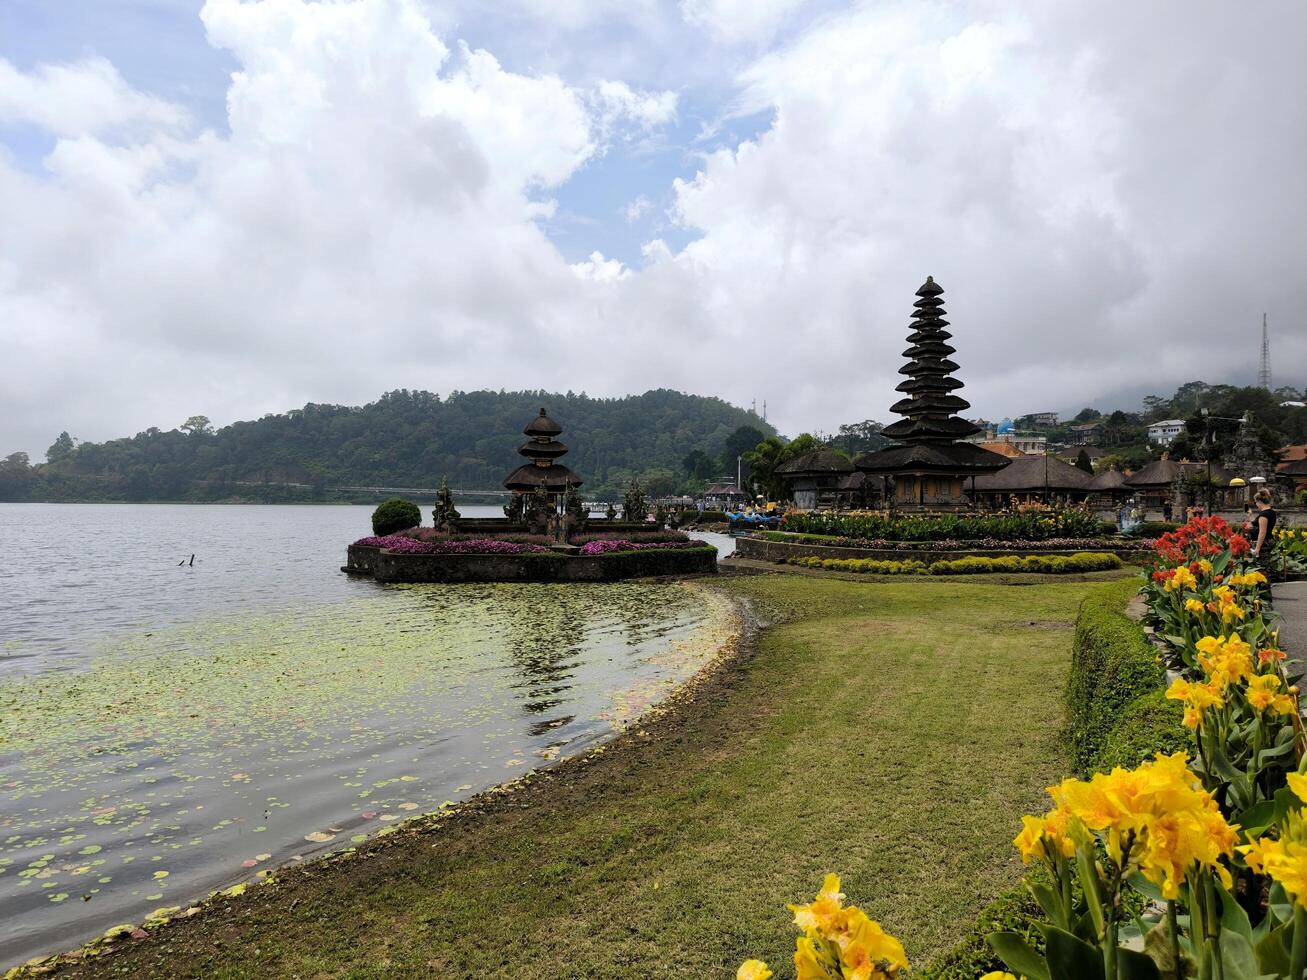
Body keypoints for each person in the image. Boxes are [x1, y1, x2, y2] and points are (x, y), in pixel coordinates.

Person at [1249, 488, 1278, 596]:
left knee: (1262, 567)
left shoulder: (1264, 515)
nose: (1256, 504)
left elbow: (1262, 532)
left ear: (1260, 501)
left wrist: (1257, 548)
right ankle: (1264, 590)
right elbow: (1255, 525)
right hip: (1269, 541)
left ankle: (1265, 592)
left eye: (1256, 502)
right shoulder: (1271, 512)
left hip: (1264, 543)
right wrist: (1250, 515)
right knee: (1264, 566)